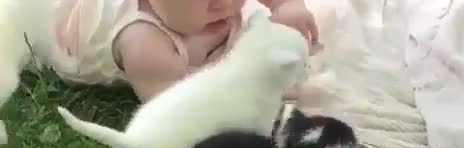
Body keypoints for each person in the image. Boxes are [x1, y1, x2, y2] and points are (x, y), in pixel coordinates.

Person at [52, 0, 318, 103]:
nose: (225, 3)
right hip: (57, 25)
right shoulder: (146, 45)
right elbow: (179, 110)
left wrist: (286, 5)